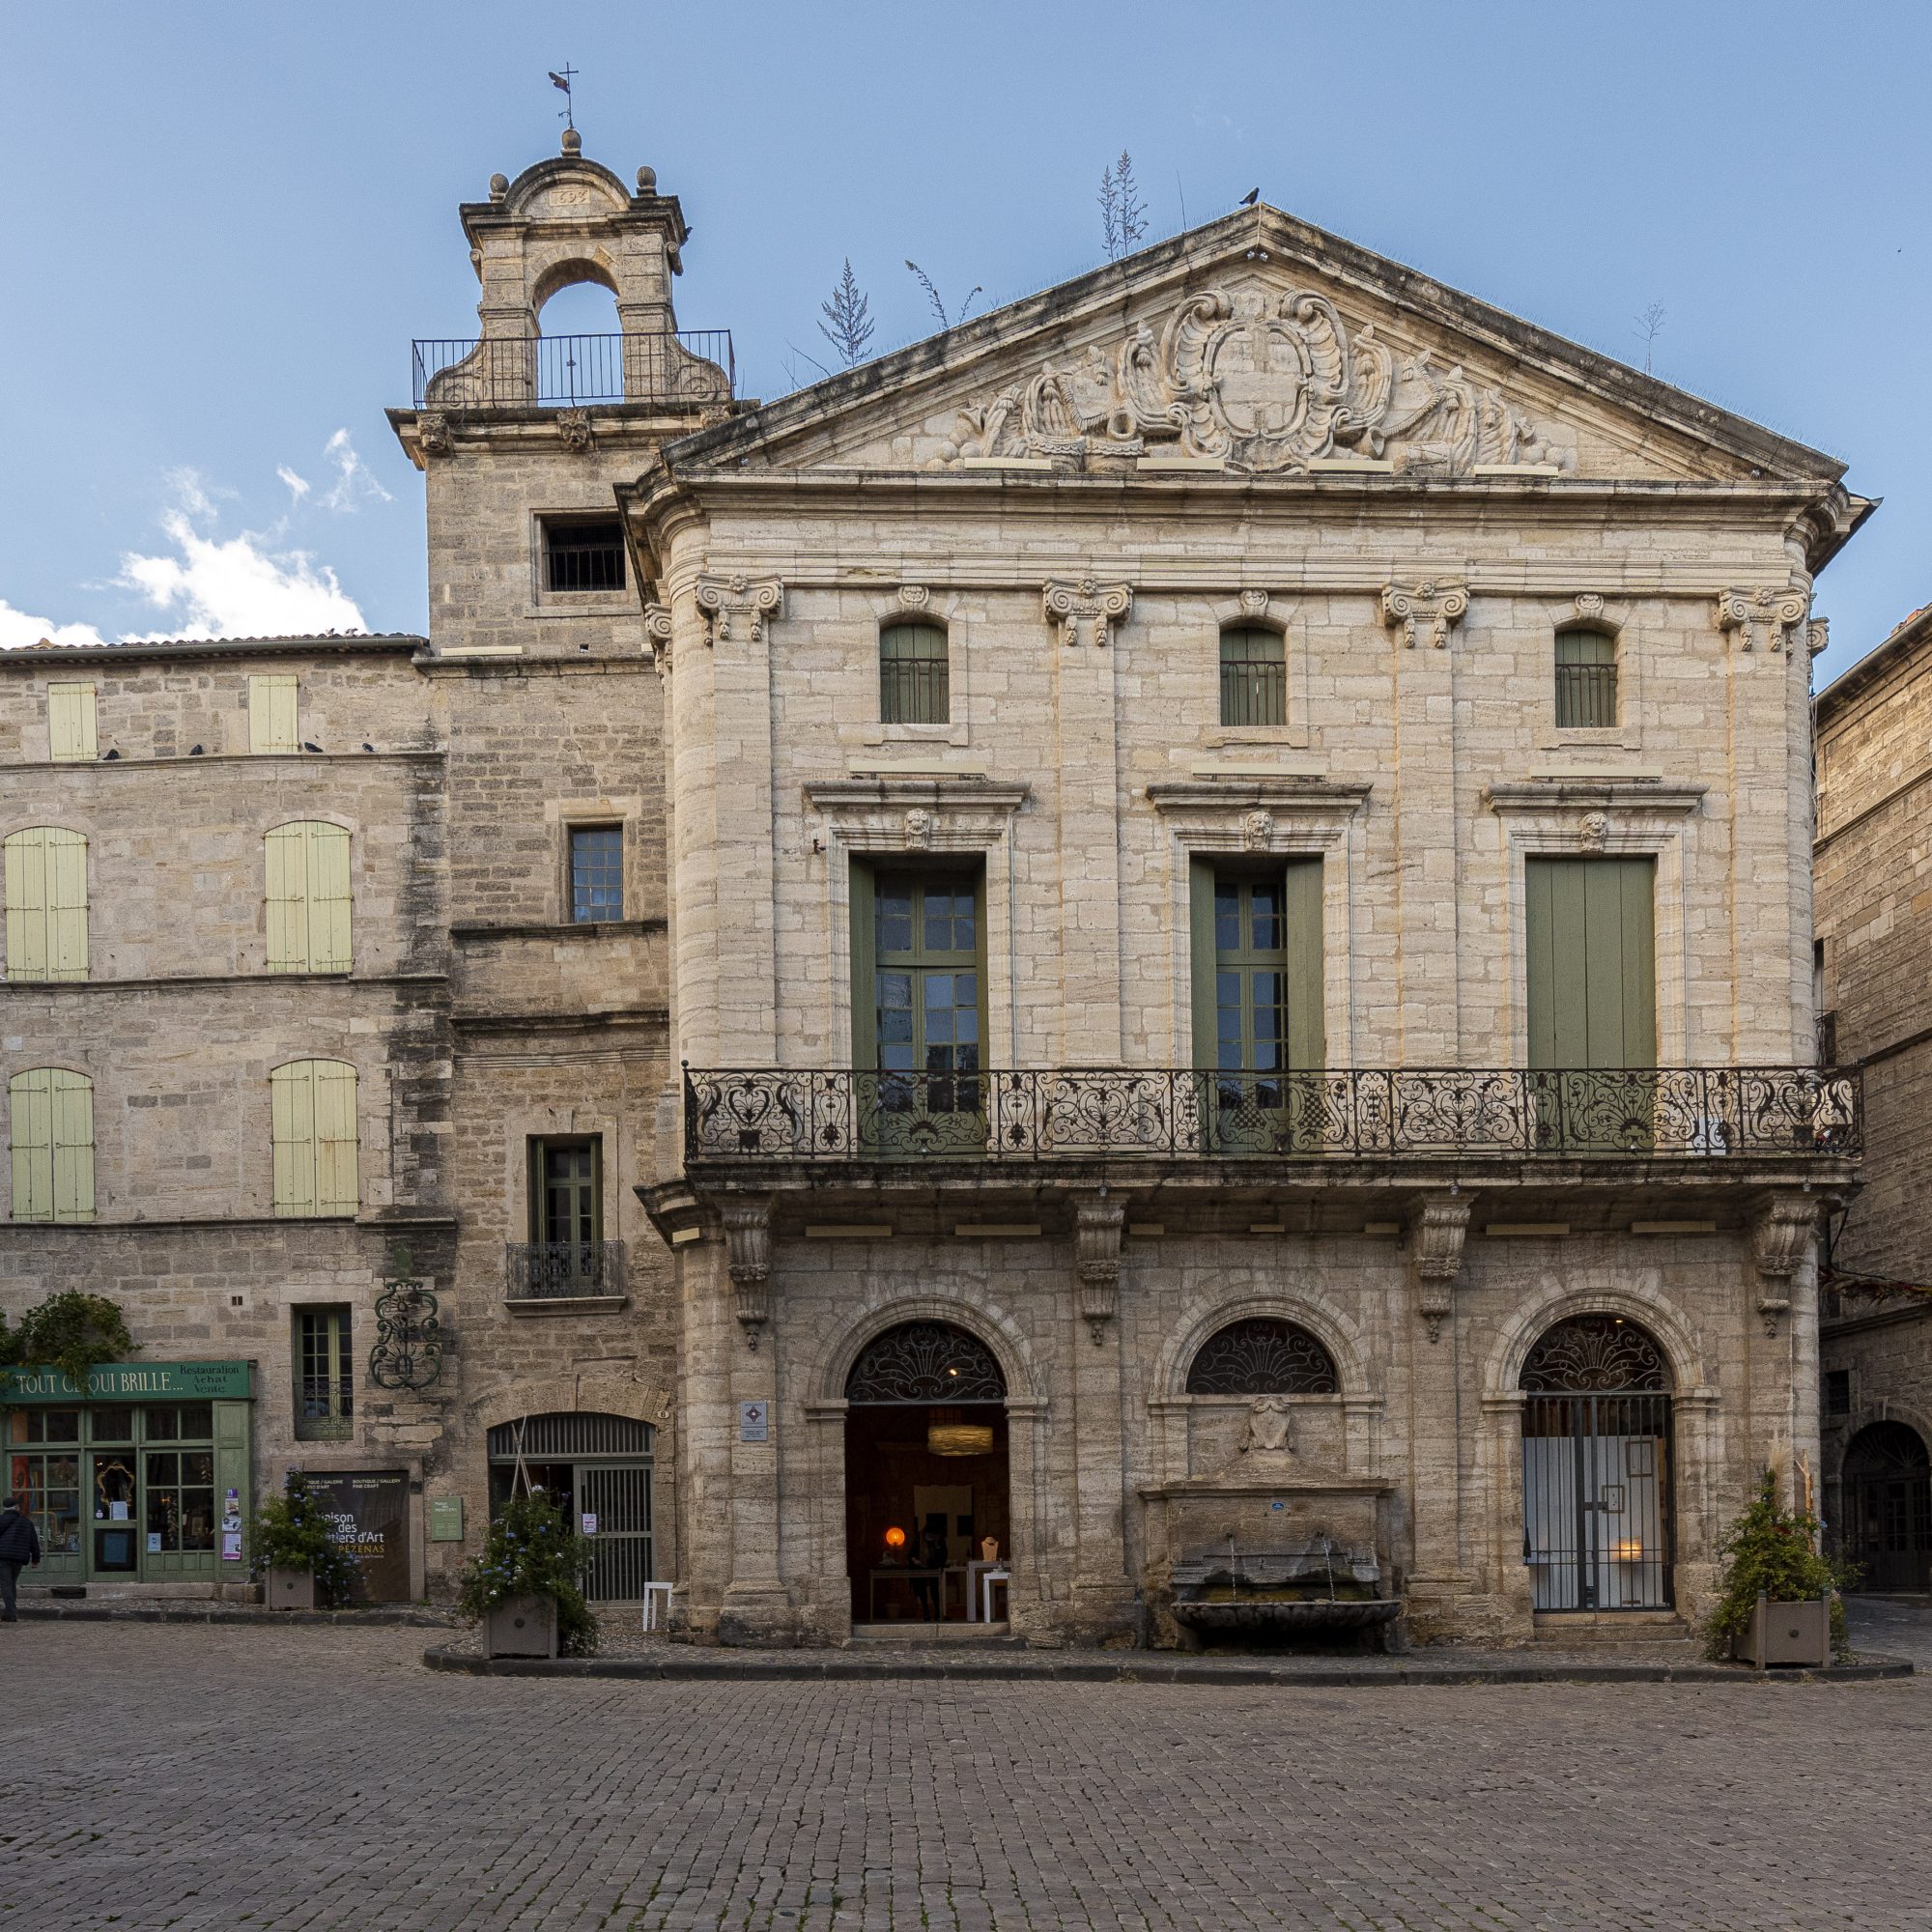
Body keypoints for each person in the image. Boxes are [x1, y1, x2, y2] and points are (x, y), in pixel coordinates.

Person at [0, 1493, 42, 1621]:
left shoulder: (1, 1520)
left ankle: (11, 1613)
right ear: (16, 1507)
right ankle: (9, 1612)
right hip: (18, 1558)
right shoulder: (26, 1522)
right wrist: (35, 1559)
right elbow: (34, 1542)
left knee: (6, 1585)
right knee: (11, 1584)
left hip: (3, 1557)